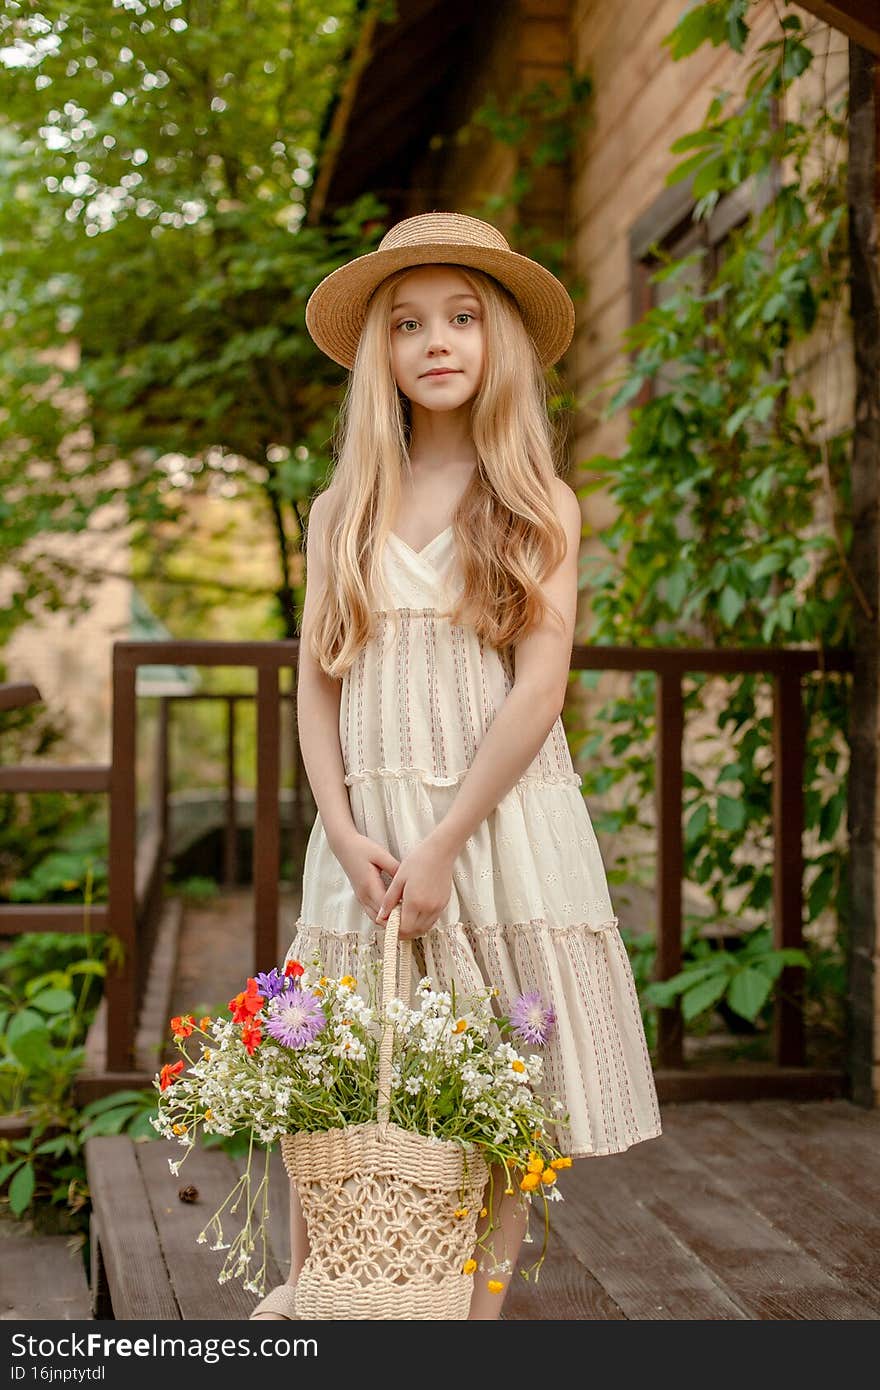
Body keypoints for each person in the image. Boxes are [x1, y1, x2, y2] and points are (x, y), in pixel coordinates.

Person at [250, 211, 662, 1322]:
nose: (437, 341)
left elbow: (537, 691)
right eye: (409, 323)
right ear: (379, 351)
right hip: (371, 829)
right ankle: (327, 1297)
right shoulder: (344, 509)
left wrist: (442, 843)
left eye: (463, 317)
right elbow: (317, 683)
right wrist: (341, 825)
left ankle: (465, 1325)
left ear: (500, 343)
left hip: (489, 825)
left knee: (497, 1091)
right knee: (337, 1071)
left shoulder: (534, 504)